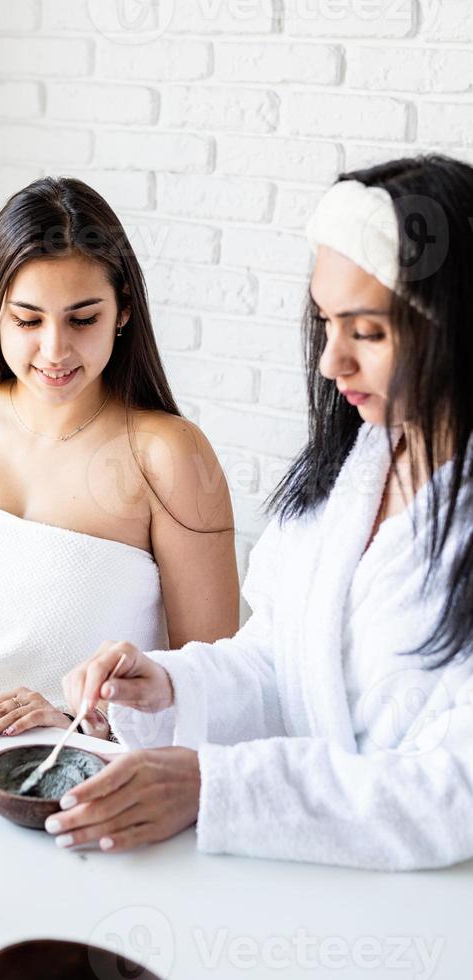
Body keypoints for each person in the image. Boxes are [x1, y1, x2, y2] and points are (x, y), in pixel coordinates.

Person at [53, 155, 473, 870]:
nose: (329, 362)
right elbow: (282, 664)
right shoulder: (352, 473)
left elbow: (452, 793)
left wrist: (214, 788)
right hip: (303, 875)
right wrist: (165, 687)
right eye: (324, 323)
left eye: (365, 333)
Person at [0, 176, 239, 740]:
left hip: (80, 774)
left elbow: (214, 681)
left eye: (83, 319)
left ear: (123, 310)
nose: (54, 350)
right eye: (28, 320)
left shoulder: (168, 455)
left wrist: (77, 725)